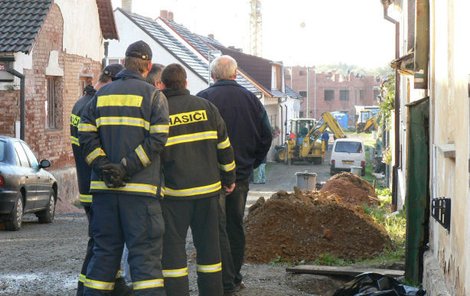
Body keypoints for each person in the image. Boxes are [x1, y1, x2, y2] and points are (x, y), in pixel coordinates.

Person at [78, 40, 169, 296]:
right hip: (140, 195)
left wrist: (104, 166)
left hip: (104, 193)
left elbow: (85, 135)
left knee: (103, 257)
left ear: (125, 62)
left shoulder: (100, 95)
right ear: (148, 65)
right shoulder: (154, 96)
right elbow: (158, 140)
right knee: (145, 264)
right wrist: (125, 168)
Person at [197, 55, 272, 295]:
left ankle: (219, 279)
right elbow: (266, 136)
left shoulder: (203, 99)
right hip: (239, 176)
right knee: (234, 227)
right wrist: (253, 162)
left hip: (210, 177)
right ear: (235, 74)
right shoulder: (252, 100)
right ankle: (235, 278)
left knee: (214, 229)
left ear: (212, 76)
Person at [158, 63, 236, 296]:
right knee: (210, 252)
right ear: (185, 83)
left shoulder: (160, 112)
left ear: (162, 84)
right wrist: (229, 177)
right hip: (208, 194)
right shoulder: (207, 108)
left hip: (174, 197)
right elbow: (224, 146)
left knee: (173, 252)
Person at [70, 63, 130, 296]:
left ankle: (113, 284)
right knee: (99, 244)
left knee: (103, 240)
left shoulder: (82, 102)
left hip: (87, 185)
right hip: (95, 186)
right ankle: (85, 288)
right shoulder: (92, 106)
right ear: (112, 80)